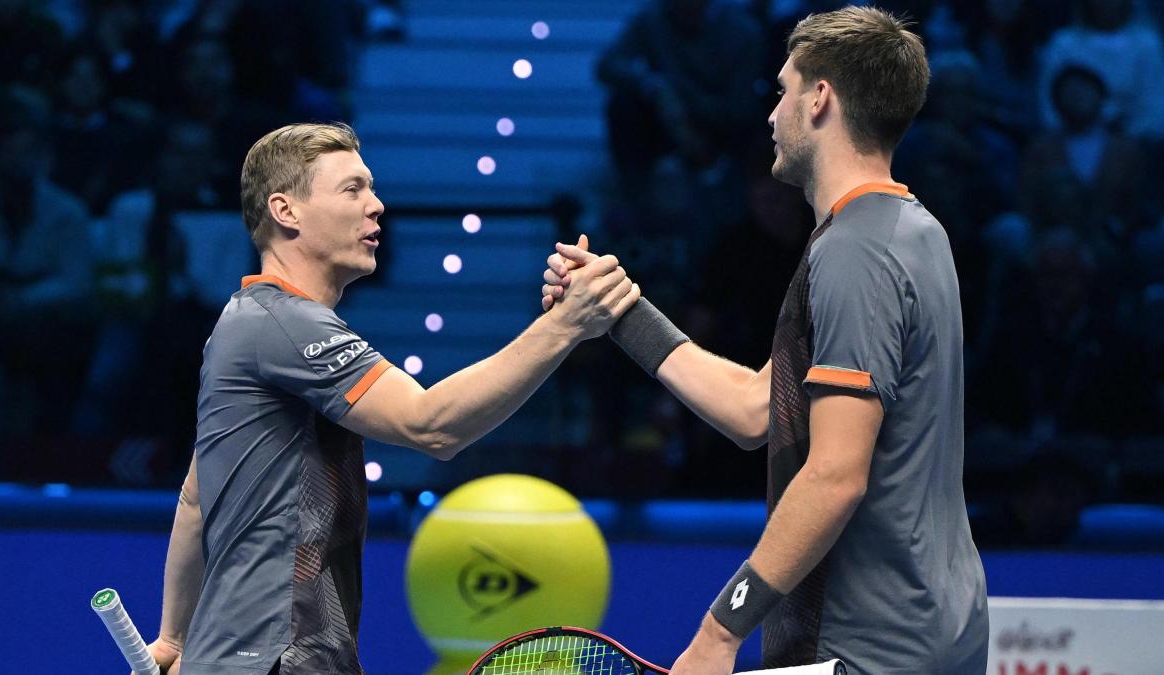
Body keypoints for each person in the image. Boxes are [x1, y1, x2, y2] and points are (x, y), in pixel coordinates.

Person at [544, 7, 988, 673]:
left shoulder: (855, 252)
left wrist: (720, 629)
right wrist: (621, 310)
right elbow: (758, 407)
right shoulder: (912, 231)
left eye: (781, 91)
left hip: (868, 643)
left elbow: (835, 474)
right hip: (930, 631)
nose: (770, 115)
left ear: (820, 99)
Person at [144, 122, 639, 674]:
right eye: (352, 189)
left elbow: (195, 496)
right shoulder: (285, 324)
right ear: (286, 211)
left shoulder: (250, 322)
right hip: (273, 660)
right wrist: (566, 326)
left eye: (372, 188)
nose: (377, 206)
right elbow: (433, 426)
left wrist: (172, 638)